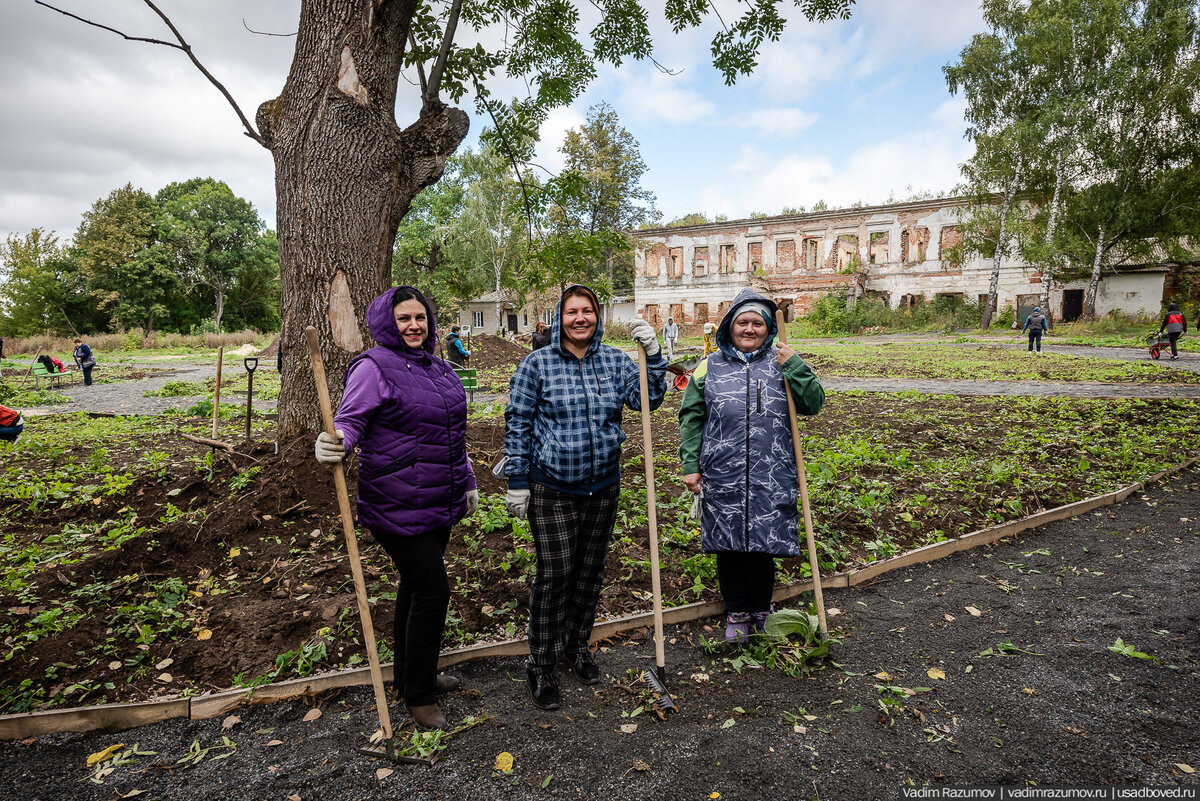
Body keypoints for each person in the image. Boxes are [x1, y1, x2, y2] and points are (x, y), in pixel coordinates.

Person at [313, 285, 479, 731]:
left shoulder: (440, 368)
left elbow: (452, 434)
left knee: (415, 588)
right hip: (396, 501)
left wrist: (468, 480)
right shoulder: (373, 366)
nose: (414, 325)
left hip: (439, 499)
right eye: (404, 318)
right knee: (432, 591)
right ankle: (419, 697)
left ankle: (410, 677)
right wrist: (337, 443)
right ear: (388, 322)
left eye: (420, 318)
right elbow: (351, 420)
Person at [504, 284, 666, 710]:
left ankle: (576, 648)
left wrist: (654, 358)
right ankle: (540, 664)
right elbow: (517, 422)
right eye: (573, 311)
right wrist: (517, 479)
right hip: (552, 486)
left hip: (602, 485)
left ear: (597, 316)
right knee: (555, 573)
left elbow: (647, 401)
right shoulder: (536, 364)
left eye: (588, 311)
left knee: (590, 571)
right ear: (561, 316)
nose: (581, 318)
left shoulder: (614, 360)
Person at [678, 289, 825, 643]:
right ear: (729, 326)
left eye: (757, 322)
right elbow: (691, 416)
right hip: (722, 470)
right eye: (742, 322)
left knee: (764, 543)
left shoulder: (782, 361)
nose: (749, 329)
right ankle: (736, 612)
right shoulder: (707, 366)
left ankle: (761, 611)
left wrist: (795, 366)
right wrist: (690, 463)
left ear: (768, 328)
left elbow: (814, 403)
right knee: (727, 546)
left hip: (771, 471)